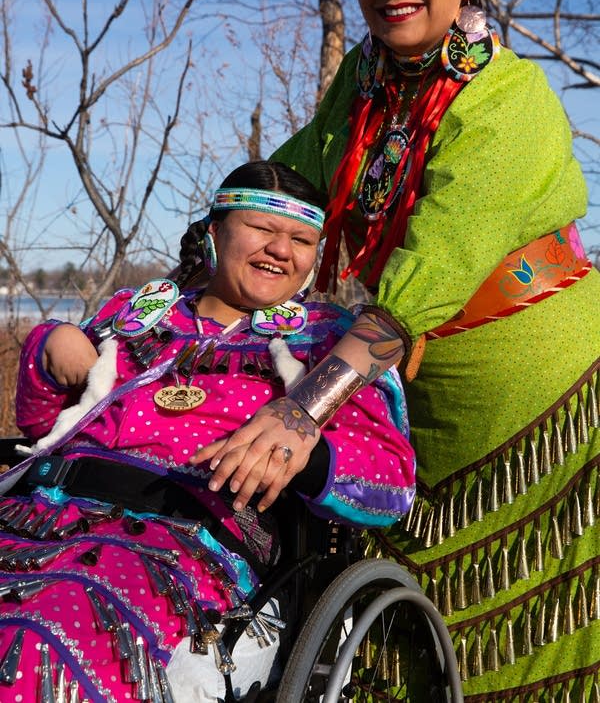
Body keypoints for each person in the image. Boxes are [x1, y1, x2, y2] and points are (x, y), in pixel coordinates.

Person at [258, 0, 598, 700]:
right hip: (413, 391)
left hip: (532, 398)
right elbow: (286, 187)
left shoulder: (508, 97)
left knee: (530, 618)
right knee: (408, 615)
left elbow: (439, 258)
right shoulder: (364, 88)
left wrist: (303, 409)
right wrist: (185, 286)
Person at [0, 161, 416, 703]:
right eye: (262, 229)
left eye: (301, 240)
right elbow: (41, 425)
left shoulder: (327, 343)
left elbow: (390, 480)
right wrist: (48, 349)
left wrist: (305, 452)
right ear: (215, 231)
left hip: (182, 548)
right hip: (40, 515)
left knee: (39, 634)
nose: (280, 250)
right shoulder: (139, 314)